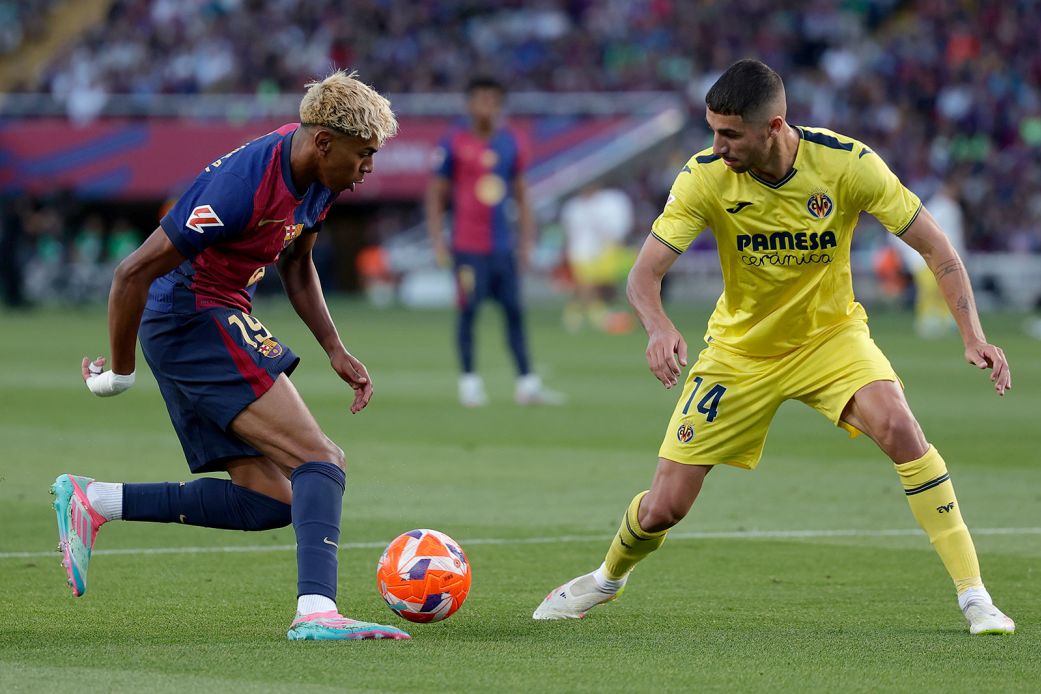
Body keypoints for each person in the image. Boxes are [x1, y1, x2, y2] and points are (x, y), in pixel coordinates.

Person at [532, 60, 1014, 635]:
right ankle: (606, 578)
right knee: (666, 507)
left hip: (830, 339)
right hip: (738, 352)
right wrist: (659, 326)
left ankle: (975, 596)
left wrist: (973, 336)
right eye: (712, 130)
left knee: (902, 431)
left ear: (774, 126)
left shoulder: (848, 166)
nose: (717, 145)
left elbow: (939, 250)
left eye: (729, 133)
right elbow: (643, 276)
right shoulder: (705, 176)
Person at [51, 70, 410, 642]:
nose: (369, 167)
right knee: (320, 460)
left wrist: (335, 349)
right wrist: (118, 375)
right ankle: (317, 613)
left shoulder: (320, 178)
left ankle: (94, 501)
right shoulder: (241, 186)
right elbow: (132, 272)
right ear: (324, 142)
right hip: (191, 316)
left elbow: (296, 263)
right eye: (363, 154)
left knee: (268, 500)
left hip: (208, 314)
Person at [425, 76, 562, 407]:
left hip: (502, 248)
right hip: (467, 248)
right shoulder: (454, 142)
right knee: (468, 311)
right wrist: (438, 241)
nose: (487, 106)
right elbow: (436, 193)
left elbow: (521, 195)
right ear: (469, 104)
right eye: (480, 100)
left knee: (514, 312)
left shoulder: (511, 143)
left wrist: (527, 241)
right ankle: (469, 384)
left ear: (500, 106)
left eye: (493, 100)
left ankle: (526, 384)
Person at [894, 177, 967, 337]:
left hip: (938, 255)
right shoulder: (940, 207)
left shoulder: (946, 207)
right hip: (926, 256)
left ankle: (943, 318)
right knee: (930, 288)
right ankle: (927, 318)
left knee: (942, 288)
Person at [559, 183, 635, 333]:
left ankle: (583, 316)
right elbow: (569, 232)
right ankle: (594, 317)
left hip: (594, 252)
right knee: (586, 286)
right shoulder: (574, 208)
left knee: (593, 285)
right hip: (579, 252)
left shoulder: (594, 207)